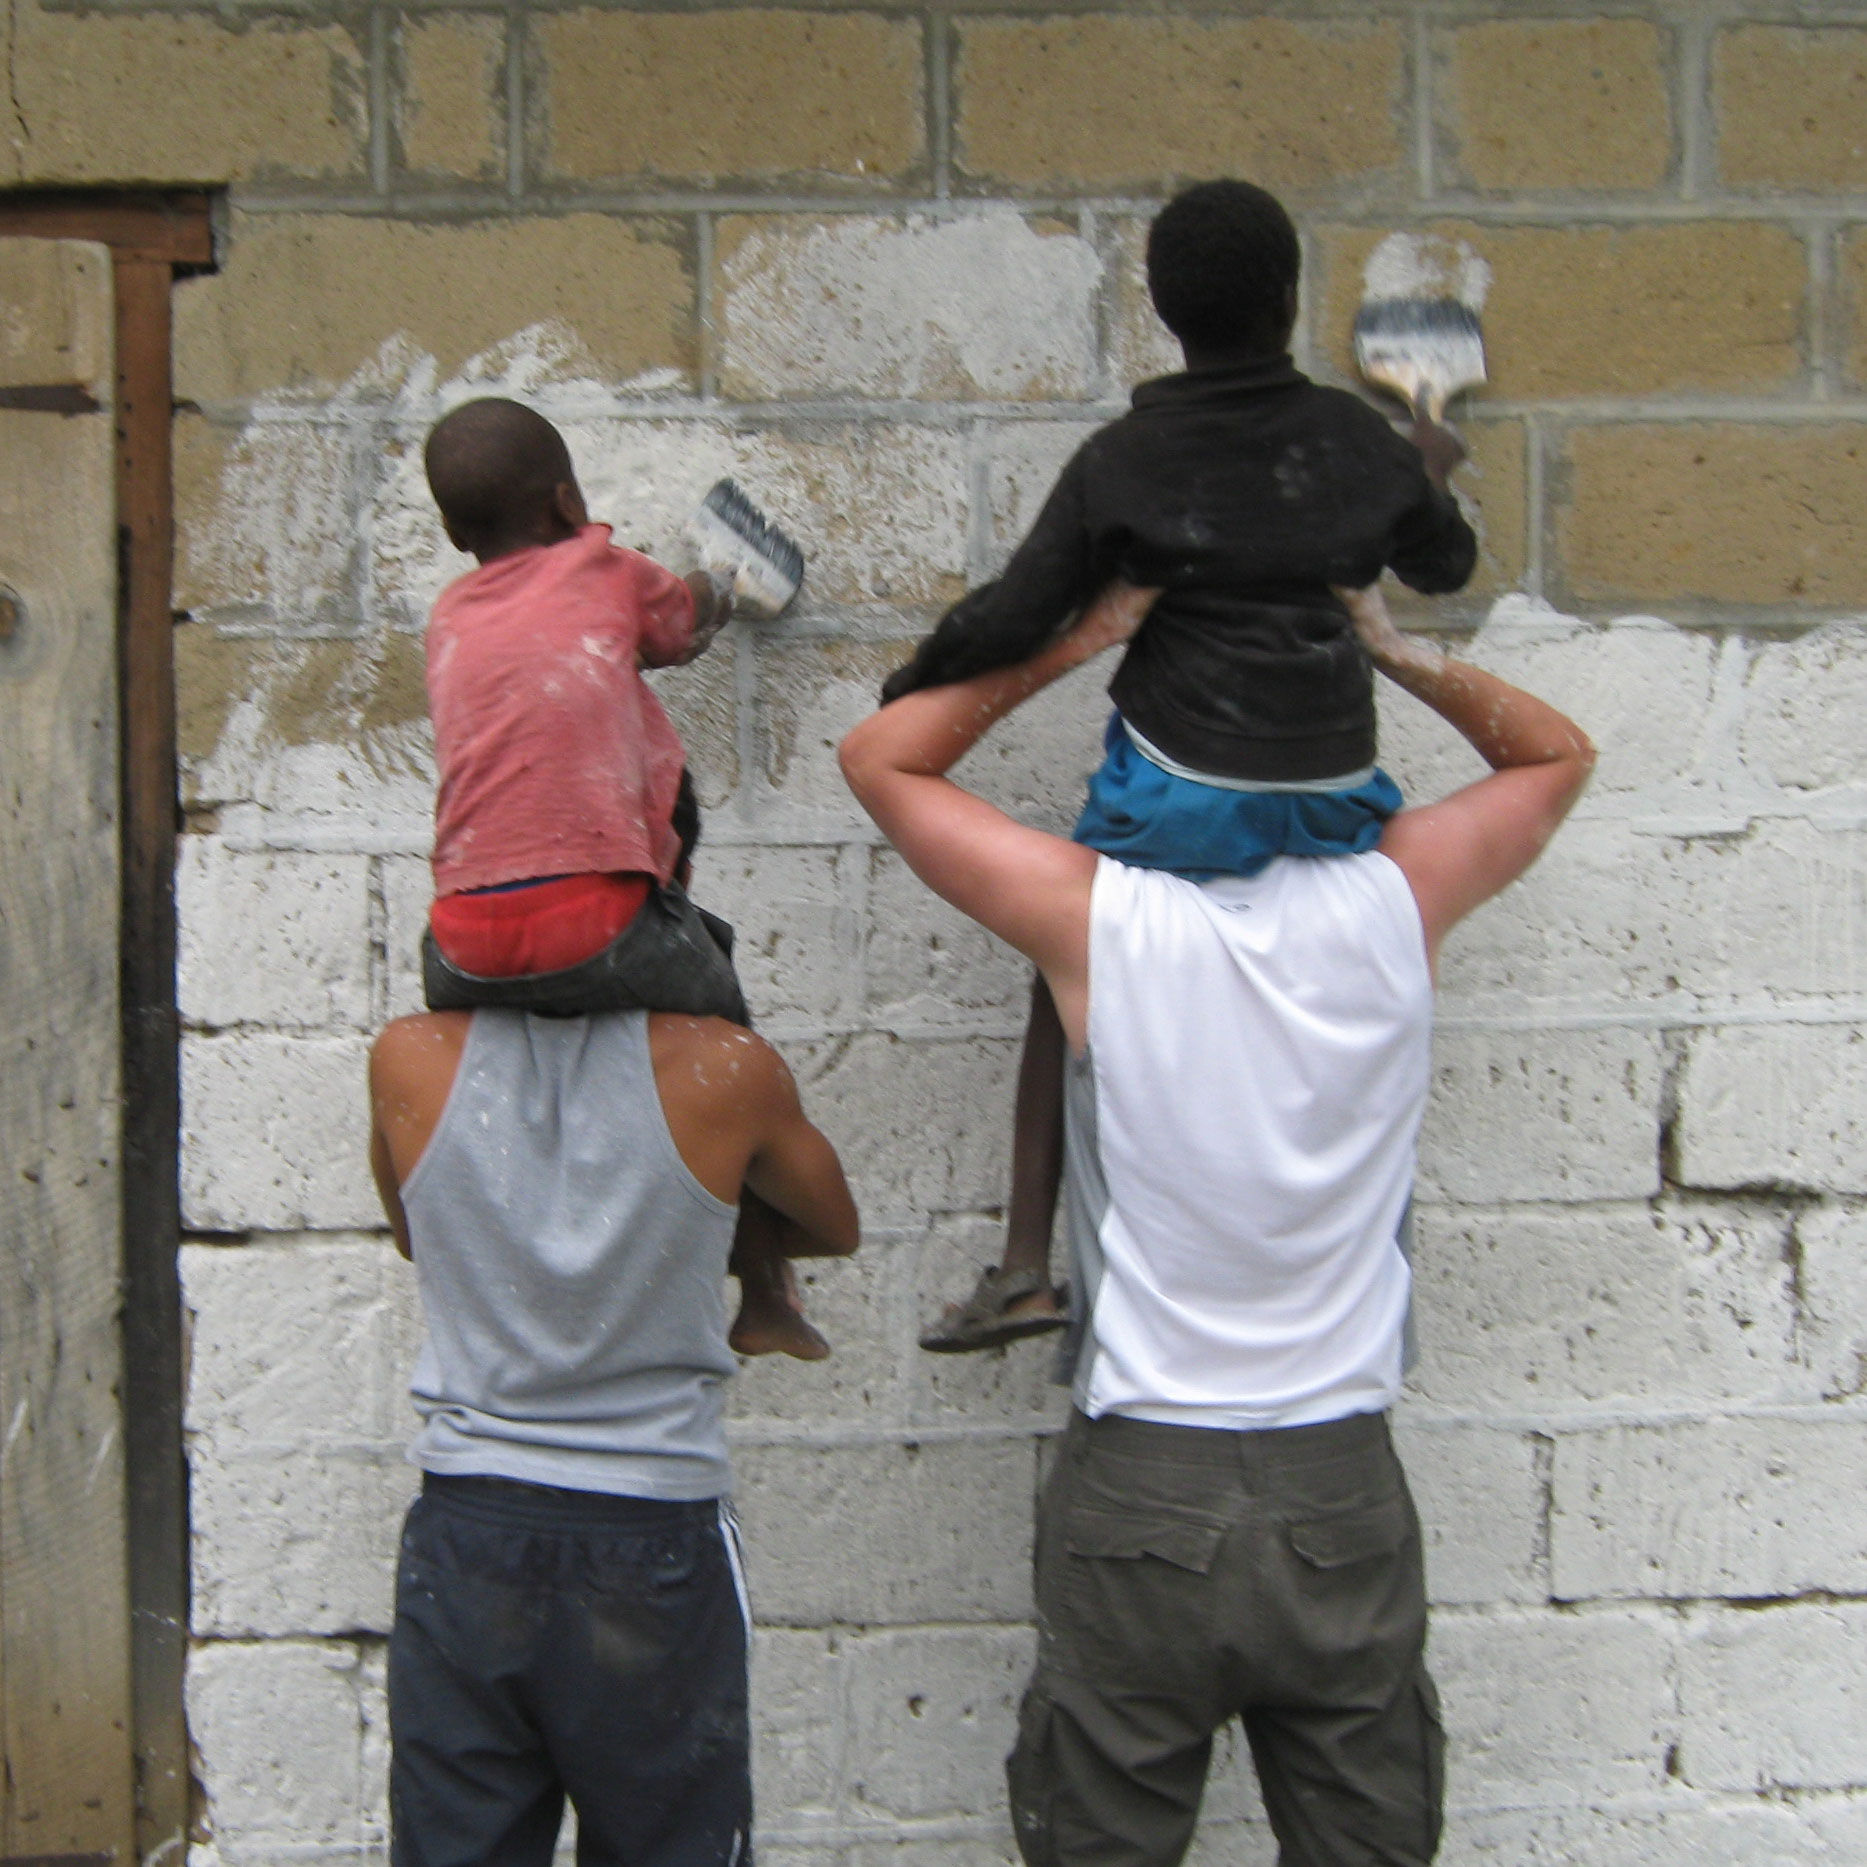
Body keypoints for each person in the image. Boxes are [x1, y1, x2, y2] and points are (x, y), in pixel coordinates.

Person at [841, 579, 1594, 1867]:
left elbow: (882, 754)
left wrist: (1087, 636)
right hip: (1339, 1488)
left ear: (1152, 764)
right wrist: (1388, 643)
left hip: (1144, 1482)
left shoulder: (1103, 923)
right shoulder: (1400, 900)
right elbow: (1555, 753)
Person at [885, 181, 1478, 1351]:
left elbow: (1017, 613)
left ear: (1159, 309)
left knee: (1066, 976)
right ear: (1292, 300)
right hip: (1332, 798)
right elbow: (1444, 564)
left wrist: (915, 683)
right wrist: (1431, 464)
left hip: (1183, 793)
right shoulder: (1363, 446)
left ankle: (1021, 1267)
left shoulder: (1129, 460)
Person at [367, 999, 859, 1867]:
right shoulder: (727, 1067)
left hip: (472, 1525)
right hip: (653, 1538)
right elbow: (834, 1224)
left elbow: (417, 1231)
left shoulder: (407, 1055)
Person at [418, 395, 826, 1359]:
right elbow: (680, 625)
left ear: (451, 530)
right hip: (595, 925)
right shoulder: (603, 573)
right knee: (730, 1048)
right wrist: (720, 583)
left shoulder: (445, 617)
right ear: (567, 503)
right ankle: (765, 1287)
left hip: (460, 944)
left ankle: (535, 1271)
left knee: (527, 1061)